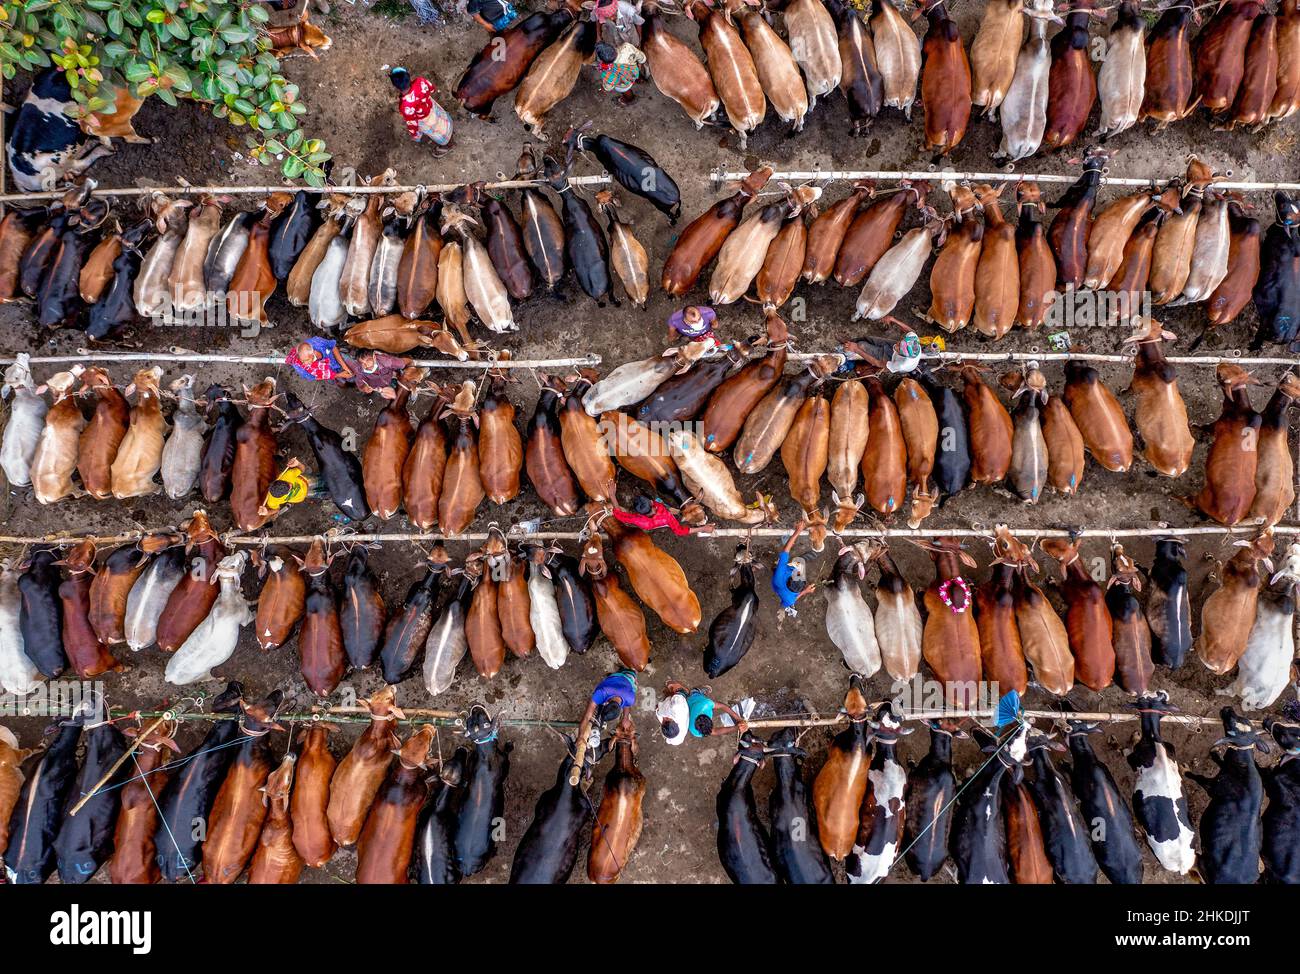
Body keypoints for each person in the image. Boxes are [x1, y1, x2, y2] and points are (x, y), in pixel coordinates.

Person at [387, 66, 453, 156]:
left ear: (396, 87)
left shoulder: (405, 106)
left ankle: (447, 145)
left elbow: (412, 122)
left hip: (424, 119)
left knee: (436, 131)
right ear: (409, 77)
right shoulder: (420, 81)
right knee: (441, 119)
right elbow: (431, 88)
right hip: (430, 106)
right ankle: (449, 127)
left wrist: (415, 135)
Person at [657, 681, 749, 745]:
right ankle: (696, 691)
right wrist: (737, 721)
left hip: (691, 702)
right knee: (694, 694)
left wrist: (737, 725)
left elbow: (722, 707)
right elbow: (722, 707)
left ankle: (696, 691)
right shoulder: (695, 731)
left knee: (695, 695)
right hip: (690, 703)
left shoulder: (696, 730)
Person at [611, 495, 715, 535]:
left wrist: (612, 496)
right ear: (651, 503)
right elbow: (679, 531)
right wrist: (702, 529)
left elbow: (620, 515)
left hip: (650, 523)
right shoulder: (666, 517)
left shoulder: (639, 520)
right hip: (664, 520)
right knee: (662, 501)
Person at [772, 520, 814, 618]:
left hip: (779, 577)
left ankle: (775, 566)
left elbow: (786, 550)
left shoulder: (780, 575)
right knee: (800, 562)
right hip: (778, 587)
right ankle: (810, 555)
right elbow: (785, 604)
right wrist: (805, 592)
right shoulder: (790, 599)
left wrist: (797, 531)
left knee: (798, 561)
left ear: (790, 578)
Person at [594, 38, 646, 105]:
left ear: (603, 60)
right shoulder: (627, 47)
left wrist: (604, 88)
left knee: (625, 90)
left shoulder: (607, 72)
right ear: (612, 47)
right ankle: (639, 79)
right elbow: (642, 58)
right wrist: (640, 63)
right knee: (635, 74)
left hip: (625, 83)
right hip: (634, 72)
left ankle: (629, 99)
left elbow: (609, 87)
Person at [342, 350, 412, 397]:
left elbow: (404, 362)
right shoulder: (360, 372)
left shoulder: (387, 361)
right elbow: (360, 385)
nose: (366, 365)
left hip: (389, 378)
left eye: (368, 360)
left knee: (395, 384)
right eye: (362, 363)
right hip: (377, 385)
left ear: (374, 357)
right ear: (359, 363)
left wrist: (412, 363)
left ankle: (392, 382)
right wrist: (365, 388)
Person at [287, 338, 353, 382]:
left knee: (352, 370)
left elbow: (333, 347)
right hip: (328, 373)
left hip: (336, 358)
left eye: (306, 360)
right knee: (342, 380)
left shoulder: (318, 342)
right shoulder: (299, 367)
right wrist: (339, 375)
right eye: (302, 361)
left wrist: (344, 365)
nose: (304, 363)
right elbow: (314, 377)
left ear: (313, 354)